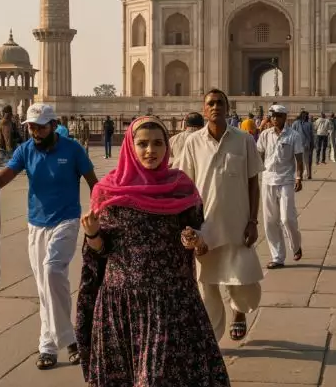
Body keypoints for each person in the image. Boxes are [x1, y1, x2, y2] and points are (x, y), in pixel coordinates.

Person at [75, 116, 230, 386]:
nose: (151, 150)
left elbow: (200, 239)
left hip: (171, 302)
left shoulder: (181, 188)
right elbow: (100, 253)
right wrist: (92, 234)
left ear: (167, 147)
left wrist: (195, 241)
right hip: (123, 303)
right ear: (130, 146)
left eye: (158, 143)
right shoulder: (107, 191)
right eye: (143, 144)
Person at [0, 103, 98, 370]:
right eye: (31, 127)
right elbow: (3, 178)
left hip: (66, 220)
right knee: (45, 286)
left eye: (41, 127)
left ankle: (69, 341)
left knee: (52, 271)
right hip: (37, 223)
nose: (35, 132)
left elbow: (94, 183)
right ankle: (48, 347)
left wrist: (100, 213)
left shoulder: (72, 149)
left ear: (54, 125)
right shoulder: (25, 150)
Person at [179, 89, 263, 342]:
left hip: (238, 223)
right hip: (205, 225)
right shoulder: (193, 142)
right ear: (204, 110)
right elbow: (186, 185)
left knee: (242, 280)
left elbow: (253, 182)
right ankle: (212, 341)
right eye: (211, 103)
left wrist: (253, 221)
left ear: (227, 108)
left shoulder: (244, 140)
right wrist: (186, 225)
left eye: (220, 103)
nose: (215, 107)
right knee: (207, 285)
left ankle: (239, 311)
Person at [257, 105, 304, 269]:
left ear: (285, 117)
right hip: (268, 179)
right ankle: (277, 257)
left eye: (278, 116)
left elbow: (299, 159)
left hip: (286, 180)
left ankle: (296, 245)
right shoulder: (265, 135)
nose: (275, 119)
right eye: (272, 116)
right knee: (270, 221)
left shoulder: (293, 136)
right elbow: (259, 155)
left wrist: (299, 177)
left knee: (287, 218)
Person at [291, 110, 314, 180]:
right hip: (297, 144)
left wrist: (312, 144)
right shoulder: (296, 123)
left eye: (305, 115)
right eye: (303, 115)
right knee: (298, 161)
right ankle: (299, 174)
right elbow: (292, 133)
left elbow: (311, 135)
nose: (304, 116)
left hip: (306, 144)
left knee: (306, 160)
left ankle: (307, 174)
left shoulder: (309, 124)